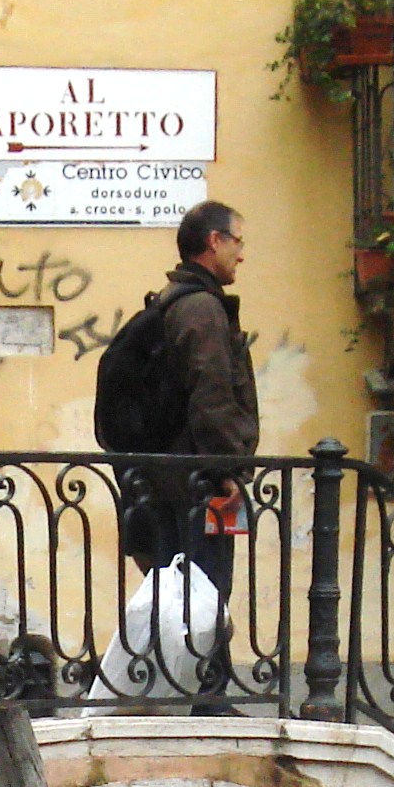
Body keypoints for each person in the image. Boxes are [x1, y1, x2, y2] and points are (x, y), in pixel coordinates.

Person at [130, 200, 257, 713]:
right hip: (204, 482)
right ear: (213, 242)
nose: (241, 256)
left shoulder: (170, 301)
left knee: (188, 584)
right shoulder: (201, 308)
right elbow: (211, 391)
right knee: (208, 584)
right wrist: (226, 472)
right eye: (238, 242)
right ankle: (209, 693)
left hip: (173, 477)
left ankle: (191, 686)